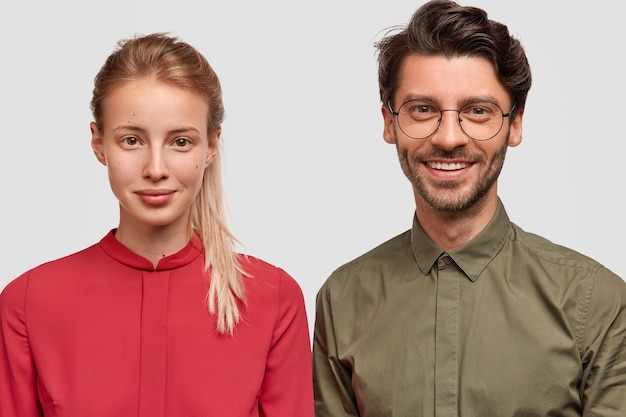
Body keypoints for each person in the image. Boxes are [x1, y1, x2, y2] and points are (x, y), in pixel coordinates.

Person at [312, 1, 626, 416]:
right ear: (389, 123)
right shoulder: (342, 300)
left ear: (514, 125)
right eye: (422, 109)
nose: (448, 137)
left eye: (478, 111)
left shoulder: (596, 302)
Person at [0, 33, 314, 417]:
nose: (156, 169)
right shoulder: (29, 304)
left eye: (180, 142)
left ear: (211, 147)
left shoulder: (272, 299)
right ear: (99, 144)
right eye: (131, 140)